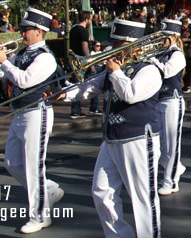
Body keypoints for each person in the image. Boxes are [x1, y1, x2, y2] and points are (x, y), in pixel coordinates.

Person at [59, 12, 164, 237]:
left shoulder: (150, 70)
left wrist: (115, 73)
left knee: (143, 198)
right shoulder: (113, 72)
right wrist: (62, 95)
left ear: (135, 46)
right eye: (113, 44)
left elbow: (130, 94)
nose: (113, 50)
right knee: (101, 192)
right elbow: (88, 87)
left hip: (137, 139)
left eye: (119, 45)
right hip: (112, 140)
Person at [0, 0, 64, 234]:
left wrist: (5, 61)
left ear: (39, 31)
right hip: (20, 112)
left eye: (26, 29)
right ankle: (49, 190)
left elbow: (23, 80)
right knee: (12, 163)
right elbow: (0, 75)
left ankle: (40, 216)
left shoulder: (46, 57)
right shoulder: (22, 52)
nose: (21, 33)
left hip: (37, 112)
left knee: (34, 166)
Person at [153, 18, 188, 196]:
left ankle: (171, 181)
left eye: (165, 36)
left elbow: (166, 71)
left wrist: (152, 60)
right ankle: (177, 166)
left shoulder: (177, 55)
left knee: (172, 144)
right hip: (158, 100)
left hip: (172, 101)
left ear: (174, 37)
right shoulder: (160, 53)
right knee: (158, 145)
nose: (162, 39)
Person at [69, 11, 93, 119]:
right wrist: (90, 62)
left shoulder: (73, 29)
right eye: (90, 19)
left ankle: (75, 111)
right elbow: (85, 48)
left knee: (75, 85)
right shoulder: (84, 31)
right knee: (94, 81)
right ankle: (94, 107)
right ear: (87, 19)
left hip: (74, 60)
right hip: (83, 61)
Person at [180, 16, 191, 93]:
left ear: (187, 24)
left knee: (189, 68)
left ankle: (188, 85)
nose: (183, 27)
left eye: (184, 26)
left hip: (189, 50)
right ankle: (184, 85)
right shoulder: (180, 28)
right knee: (183, 67)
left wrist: (186, 39)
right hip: (182, 49)